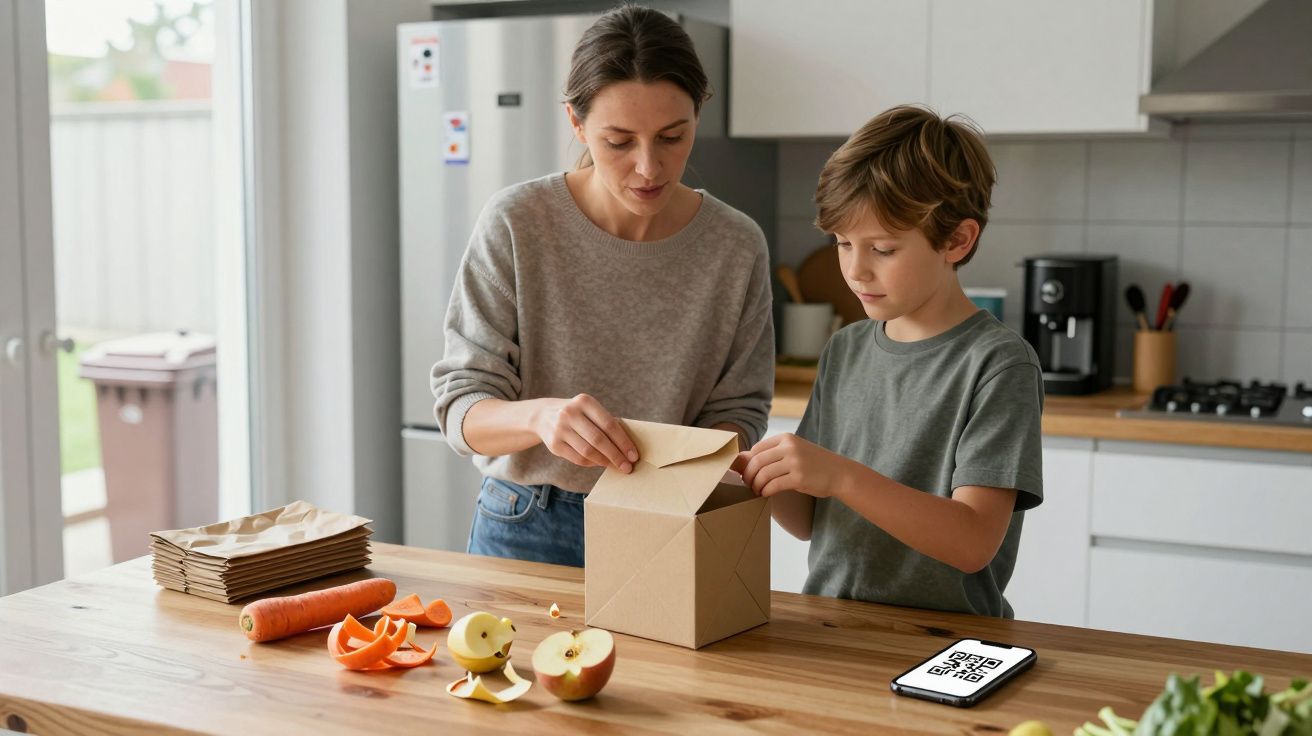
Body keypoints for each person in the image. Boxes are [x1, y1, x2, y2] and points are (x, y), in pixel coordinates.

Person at [431, 5, 774, 568]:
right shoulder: (518, 222)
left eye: (672, 136)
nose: (649, 167)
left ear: (698, 116)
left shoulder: (736, 245)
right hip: (526, 522)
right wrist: (540, 418)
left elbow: (740, 409)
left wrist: (689, 467)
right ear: (576, 123)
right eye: (619, 141)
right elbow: (461, 408)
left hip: (669, 520)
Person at [734, 105, 1043, 618]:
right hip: (836, 633)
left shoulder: (999, 365)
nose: (855, 270)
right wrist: (756, 474)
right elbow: (811, 520)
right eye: (842, 243)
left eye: (882, 249)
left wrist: (840, 476)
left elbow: (973, 543)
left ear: (957, 240)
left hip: (948, 643)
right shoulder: (845, 348)